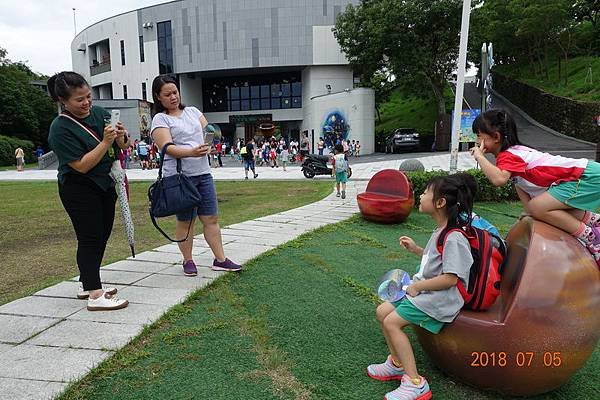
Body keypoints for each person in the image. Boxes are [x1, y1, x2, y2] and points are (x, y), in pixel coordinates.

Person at [367, 173, 475, 400]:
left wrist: (419, 287)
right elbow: (434, 258)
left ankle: (416, 383)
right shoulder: (441, 231)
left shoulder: (454, 237)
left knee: (392, 322)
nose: (420, 196)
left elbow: (451, 278)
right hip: (424, 291)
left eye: (425, 192)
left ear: (440, 202)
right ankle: (396, 363)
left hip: (439, 298)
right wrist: (417, 249)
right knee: (382, 312)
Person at [470, 109, 600, 266]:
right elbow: (520, 185)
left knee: (538, 207)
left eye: (478, 135)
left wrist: (479, 156)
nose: (477, 141)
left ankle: (592, 237)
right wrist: (529, 211)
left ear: (496, 137)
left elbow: (499, 180)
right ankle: (595, 221)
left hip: (585, 176)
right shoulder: (514, 154)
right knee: (539, 208)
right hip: (586, 174)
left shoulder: (509, 155)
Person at [47, 71, 129, 311]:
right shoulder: (59, 128)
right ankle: (95, 294)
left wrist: (121, 136)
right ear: (63, 101)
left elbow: (123, 147)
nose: (86, 103)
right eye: (79, 99)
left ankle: (87, 282)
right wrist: (105, 142)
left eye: (88, 97)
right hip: (79, 187)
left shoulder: (100, 113)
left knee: (102, 234)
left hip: (106, 183)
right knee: (89, 237)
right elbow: (81, 165)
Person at [150, 74, 242, 275]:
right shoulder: (160, 119)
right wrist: (191, 152)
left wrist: (210, 144)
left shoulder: (192, 111)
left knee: (211, 218)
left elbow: (209, 132)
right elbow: (166, 147)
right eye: (167, 94)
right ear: (158, 97)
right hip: (179, 178)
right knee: (186, 220)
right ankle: (188, 260)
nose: (173, 97)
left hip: (203, 173)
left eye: (175, 92)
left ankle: (220, 259)